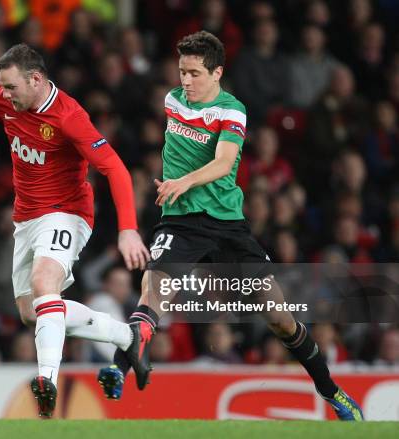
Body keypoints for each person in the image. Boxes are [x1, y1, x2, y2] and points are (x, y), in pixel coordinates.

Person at [98, 31, 364, 421]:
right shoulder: (174, 100)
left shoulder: (232, 110)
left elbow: (224, 163)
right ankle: (118, 371)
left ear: (217, 72)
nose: (185, 81)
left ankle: (332, 392)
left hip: (227, 225)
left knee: (279, 317)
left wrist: (182, 181)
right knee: (154, 290)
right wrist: (176, 187)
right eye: (181, 72)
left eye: (194, 73)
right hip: (181, 221)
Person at [0, 43, 150, 418]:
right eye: (1, 86)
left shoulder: (69, 117)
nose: (3, 94)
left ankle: (46, 382)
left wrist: (128, 230)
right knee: (33, 313)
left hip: (67, 213)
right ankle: (125, 335)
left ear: (36, 80)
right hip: (26, 217)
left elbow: (115, 168)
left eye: (10, 87)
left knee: (44, 284)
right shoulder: (5, 99)